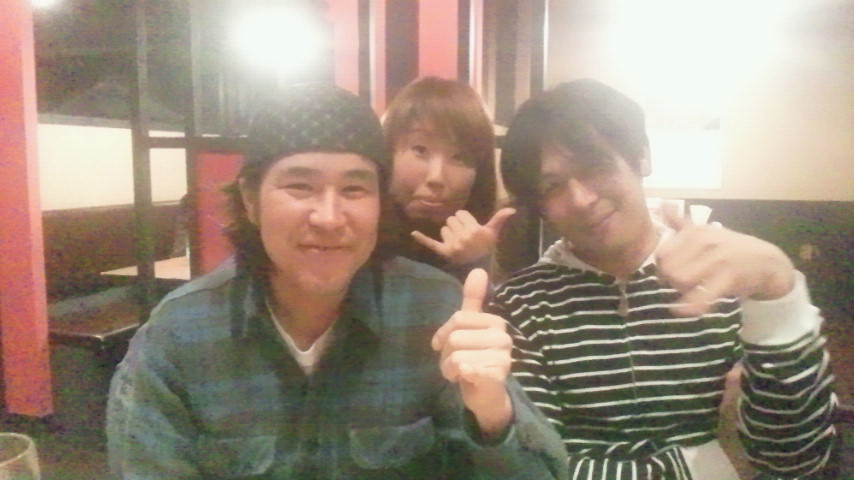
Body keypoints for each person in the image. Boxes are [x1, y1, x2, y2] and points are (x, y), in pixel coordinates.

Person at [106, 83, 566, 479]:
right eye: (300, 186)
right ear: (250, 200)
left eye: (354, 189)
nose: (328, 217)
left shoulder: (435, 313)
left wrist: (491, 412)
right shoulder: (179, 336)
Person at [492, 78, 838, 479]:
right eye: (552, 187)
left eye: (594, 167)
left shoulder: (732, 279)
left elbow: (796, 458)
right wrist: (716, 463)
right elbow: (541, 469)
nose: (581, 199)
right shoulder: (521, 305)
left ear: (641, 156)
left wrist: (778, 293)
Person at [383, 77, 515, 281]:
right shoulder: (353, 240)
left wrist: (476, 264)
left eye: (459, 157)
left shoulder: (507, 243)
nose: (436, 177)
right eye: (420, 150)